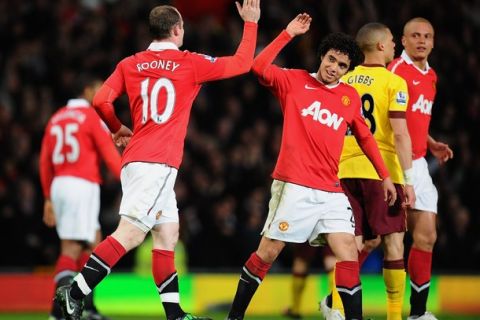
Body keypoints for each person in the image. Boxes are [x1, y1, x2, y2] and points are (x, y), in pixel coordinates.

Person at [54, 1, 261, 320]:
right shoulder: (189, 62)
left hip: (138, 158)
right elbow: (243, 62)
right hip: (158, 162)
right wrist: (250, 22)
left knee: (167, 233)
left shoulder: (130, 63)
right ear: (177, 30)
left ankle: (175, 315)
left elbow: (100, 100)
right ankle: (74, 295)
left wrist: (117, 127)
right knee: (131, 233)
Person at [226, 13, 397, 320]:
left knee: (347, 251)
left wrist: (384, 175)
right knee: (268, 252)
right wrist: (288, 34)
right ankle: (235, 316)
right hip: (294, 186)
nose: (334, 68)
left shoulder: (349, 97)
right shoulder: (293, 81)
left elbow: (365, 138)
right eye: (331, 60)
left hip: (330, 190)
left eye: (342, 66)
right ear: (322, 56)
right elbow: (258, 67)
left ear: (348, 70)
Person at [320, 22, 416, 320]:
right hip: (382, 170)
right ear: (380, 46)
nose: (395, 47)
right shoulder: (393, 82)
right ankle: (394, 316)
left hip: (343, 168)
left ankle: (334, 307)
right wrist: (409, 180)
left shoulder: (344, 78)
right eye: (391, 41)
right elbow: (400, 134)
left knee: (355, 243)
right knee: (394, 243)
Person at [39, 76, 122, 320]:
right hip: (81, 184)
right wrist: (129, 180)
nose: (103, 93)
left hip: (60, 184)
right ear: (86, 91)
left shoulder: (56, 117)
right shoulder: (90, 116)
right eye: (99, 89)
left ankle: (89, 309)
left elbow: (44, 160)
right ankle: (58, 312)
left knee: (93, 244)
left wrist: (47, 197)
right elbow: (108, 153)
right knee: (71, 249)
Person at [387, 17, 453, 320]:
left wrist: (431, 142)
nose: (422, 41)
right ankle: (334, 301)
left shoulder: (432, 76)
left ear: (434, 41)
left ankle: (418, 313)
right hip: (393, 162)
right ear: (403, 40)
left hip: (419, 161)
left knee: (426, 236)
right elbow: (390, 120)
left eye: (427, 36)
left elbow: (411, 118)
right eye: (415, 35)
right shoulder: (396, 72)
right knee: (376, 239)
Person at [283, 244, 336, 319]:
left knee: (301, 261)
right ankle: (336, 307)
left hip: (308, 233)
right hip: (327, 233)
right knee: (330, 259)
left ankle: (295, 309)